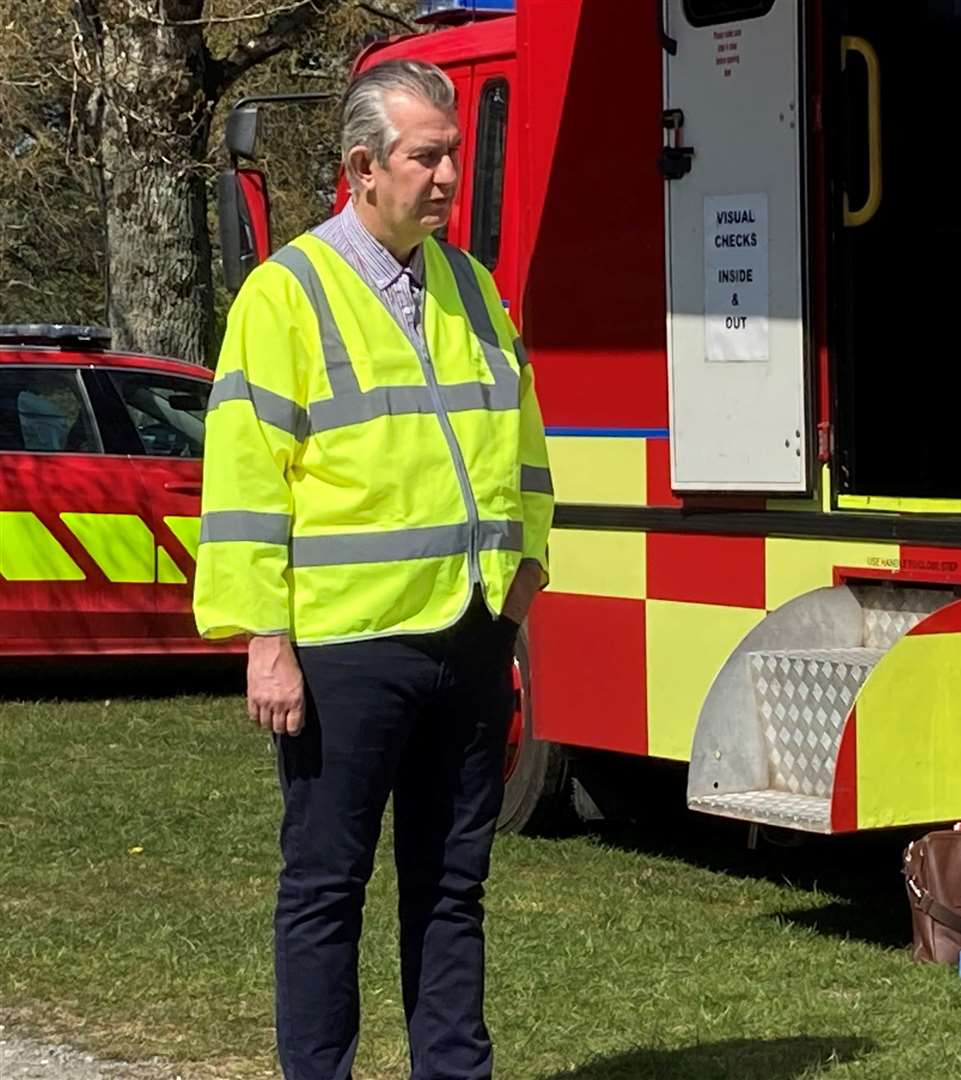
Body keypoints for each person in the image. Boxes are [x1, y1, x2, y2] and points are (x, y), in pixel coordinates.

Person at [193, 59, 553, 1080]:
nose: (448, 175)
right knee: (326, 889)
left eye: (453, 154)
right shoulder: (286, 295)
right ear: (362, 166)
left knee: (451, 887)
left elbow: (523, 440)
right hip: (345, 648)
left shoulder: (472, 286)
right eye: (426, 155)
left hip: (469, 635)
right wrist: (265, 639)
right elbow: (246, 480)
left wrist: (526, 569)